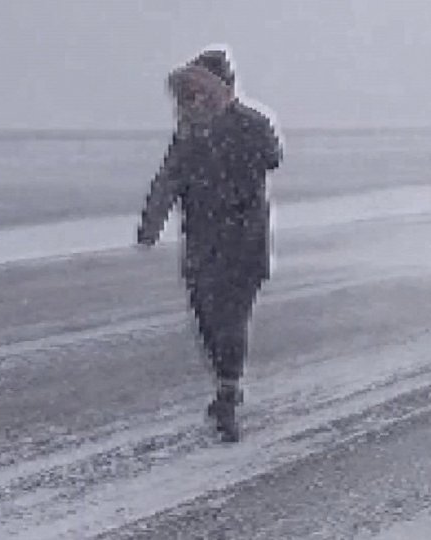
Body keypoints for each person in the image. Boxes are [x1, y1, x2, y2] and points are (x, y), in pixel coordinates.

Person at [137, 48, 282, 442]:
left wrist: (238, 134)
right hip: (203, 241)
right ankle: (226, 386)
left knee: (230, 320)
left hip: (243, 240)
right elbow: (168, 178)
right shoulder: (190, 132)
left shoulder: (251, 123)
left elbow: (273, 158)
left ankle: (228, 393)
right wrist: (152, 223)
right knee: (206, 317)